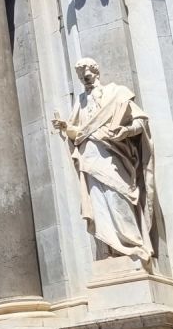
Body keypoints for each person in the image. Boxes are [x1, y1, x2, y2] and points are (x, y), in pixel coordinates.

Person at [53, 58, 156, 266]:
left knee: (119, 197)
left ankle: (134, 245)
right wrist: (66, 127)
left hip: (115, 156)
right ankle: (110, 249)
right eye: (82, 79)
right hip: (90, 158)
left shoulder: (117, 93)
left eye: (88, 76)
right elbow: (78, 132)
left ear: (96, 73)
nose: (86, 82)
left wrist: (124, 131)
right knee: (98, 204)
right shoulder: (81, 102)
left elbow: (140, 121)